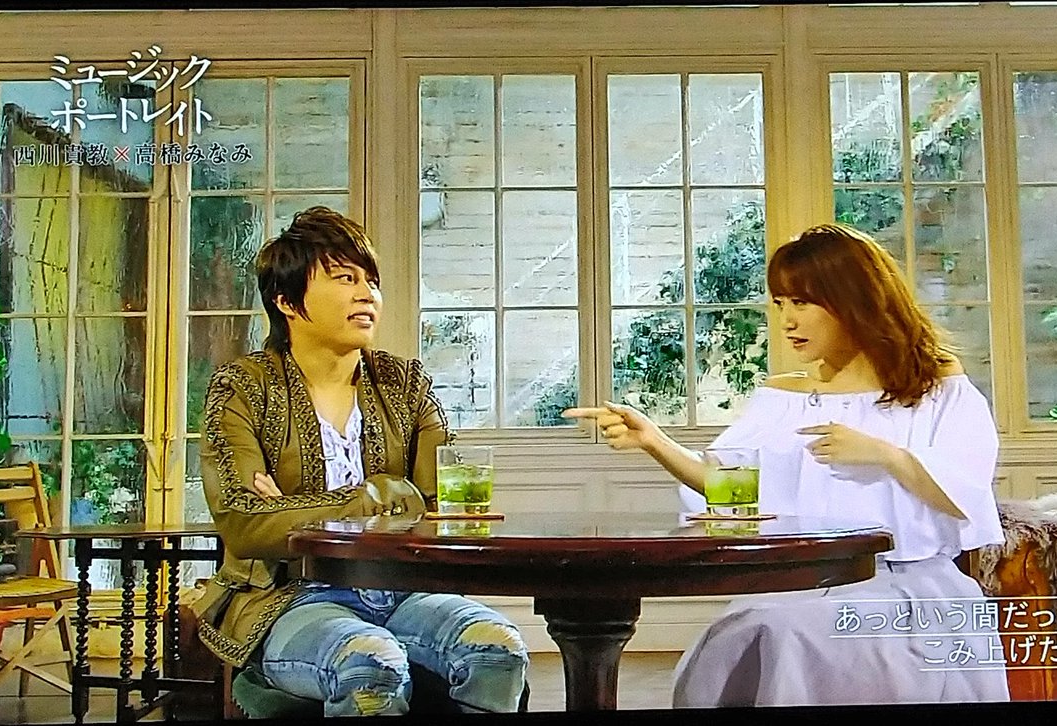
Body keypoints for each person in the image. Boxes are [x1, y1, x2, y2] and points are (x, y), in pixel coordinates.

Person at [564, 222, 1010, 708]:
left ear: (852, 300)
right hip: (801, 582)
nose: (787, 321)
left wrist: (885, 455)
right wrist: (655, 442)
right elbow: (732, 485)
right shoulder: (783, 395)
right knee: (741, 634)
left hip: (905, 588)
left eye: (801, 303)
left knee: (782, 634)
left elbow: (966, 492)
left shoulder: (934, 386)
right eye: (780, 303)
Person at [191, 206, 530, 717]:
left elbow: (442, 504)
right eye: (345, 278)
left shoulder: (404, 383)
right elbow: (245, 524)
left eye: (371, 280)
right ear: (286, 300)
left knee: (499, 650)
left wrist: (296, 511)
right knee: (371, 664)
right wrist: (375, 497)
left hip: (405, 589)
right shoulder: (244, 387)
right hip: (291, 598)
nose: (366, 293)